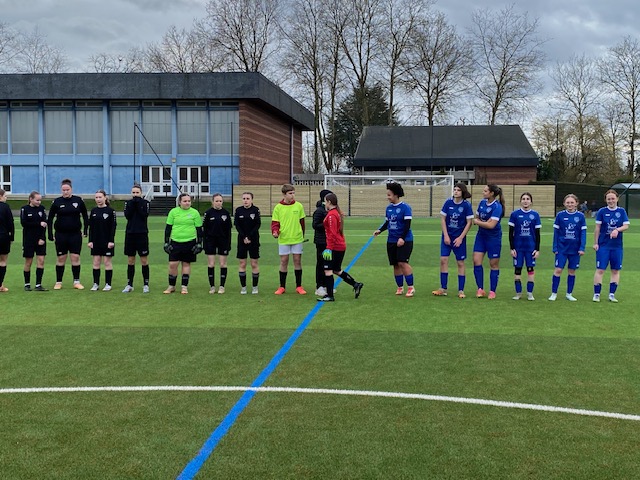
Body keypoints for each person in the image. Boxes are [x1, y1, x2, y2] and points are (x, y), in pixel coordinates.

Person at [318, 193, 363, 302]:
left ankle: (329, 295)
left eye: (325, 201)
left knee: (328, 270)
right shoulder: (335, 213)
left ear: (329, 202)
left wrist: (329, 248)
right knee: (336, 270)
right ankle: (355, 284)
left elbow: (332, 233)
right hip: (339, 246)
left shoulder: (331, 215)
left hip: (335, 247)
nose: (324, 203)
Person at [432, 183, 474, 298]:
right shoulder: (448, 203)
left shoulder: (466, 205)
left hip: (459, 239)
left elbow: (469, 223)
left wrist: (460, 238)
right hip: (447, 237)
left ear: (463, 192)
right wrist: (446, 235)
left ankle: (461, 290)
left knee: (460, 262)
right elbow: (443, 219)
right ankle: (443, 288)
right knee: (443, 260)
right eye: (454, 189)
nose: (456, 191)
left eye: (458, 190)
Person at [373, 182, 415, 297]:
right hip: (391, 240)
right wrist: (380, 230)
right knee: (395, 264)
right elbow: (387, 223)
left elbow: (407, 225)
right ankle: (400, 287)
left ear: (396, 195)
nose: (388, 197)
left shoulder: (405, 208)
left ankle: (411, 287)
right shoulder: (389, 208)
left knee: (402, 262)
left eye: (389, 195)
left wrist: (402, 238)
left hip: (405, 240)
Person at [47, 178, 88, 290]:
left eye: (67, 190)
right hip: (61, 235)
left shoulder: (78, 200)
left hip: (75, 235)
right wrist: (50, 234)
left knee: (75, 257)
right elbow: (50, 218)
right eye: (63, 190)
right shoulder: (57, 202)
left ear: (71, 189)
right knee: (61, 258)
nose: (65, 192)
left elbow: (85, 216)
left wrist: (85, 230)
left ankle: (76, 282)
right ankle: (58, 282)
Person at [592, 189, 630, 303]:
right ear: (606, 200)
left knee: (615, 270)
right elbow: (597, 228)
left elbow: (626, 226)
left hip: (617, 247)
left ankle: (612, 294)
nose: (611, 201)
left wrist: (617, 230)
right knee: (600, 270)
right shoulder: (602, 211)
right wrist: (595, 243)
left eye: (613, 198)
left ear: (617, 199)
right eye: (608, 199)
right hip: (603, 246)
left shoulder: (621, 211)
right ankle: (596, 294)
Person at [549, 194, 587, 301]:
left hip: (575, 249)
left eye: (572, 202)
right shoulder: (560, 215)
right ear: (564, 204)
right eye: (568, 202)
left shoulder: (580, 216)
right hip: (562, 248)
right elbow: (556, 233)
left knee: (572, 271)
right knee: (558, 270)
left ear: (576, 203)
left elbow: (583, 233)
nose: (570, 204)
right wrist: (555, 247)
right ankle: (554, 293)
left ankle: (569, 294)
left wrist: (582, 248)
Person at [163, 193, 203, 294]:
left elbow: (199, 229)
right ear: (179, 202)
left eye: (189, 201)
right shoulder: (173, 212)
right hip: (175, 242)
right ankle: (171, 286)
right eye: (185, 201)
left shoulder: (195, 213)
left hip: (190, 242)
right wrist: (166, 242)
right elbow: (168, 228)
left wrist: (199, 243)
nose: (187, 203)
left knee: (186, 264)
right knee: (173, 264)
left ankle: (184, 287)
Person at [271, 183, 307, 295]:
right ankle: (282, 287)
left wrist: (302, 236)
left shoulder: (299, 206)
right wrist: (275, 232)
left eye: (293, 193)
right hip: (284, 239)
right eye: (290, 193)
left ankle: (299, 286)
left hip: (297, 239)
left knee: (297, 261)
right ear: (284, 194)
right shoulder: (278, 207)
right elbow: (275, 223)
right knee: (284, 261)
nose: (292, 195)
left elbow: (302, 223)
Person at [472, 184, 505, 299]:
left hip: (494, 238)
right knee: (476, 261)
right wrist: (484, 222)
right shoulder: (482, 203)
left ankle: (492, 291)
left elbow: (491, 225)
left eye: (485, 191)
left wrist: (479, 222)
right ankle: (480, 289)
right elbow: (477, 217)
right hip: (481, 236)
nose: (483, 192)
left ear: (491, 193)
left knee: (493, 264)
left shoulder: (497, 207)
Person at [508, 192, 542, 301]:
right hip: (518, 248)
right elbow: (511, 233)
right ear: (520, 201)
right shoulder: (515, 214)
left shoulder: (535, 215)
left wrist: (537, 249)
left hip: (530, 248)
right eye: (523, 199)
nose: (525, 201)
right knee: (517, 269)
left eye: (528, 199)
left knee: (530, 269)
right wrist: (512, 248)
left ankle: (530, 293)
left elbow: (537, 234)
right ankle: (518, 293)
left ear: (531, 202)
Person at [122, 183, 151, 293]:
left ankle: (146, 284)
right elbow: (127, 215)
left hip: (142, 234)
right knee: (130, 260)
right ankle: (129, 284)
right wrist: (133, 205)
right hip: (130, 234)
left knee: (144, 260)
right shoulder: (128, 203)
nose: (135, 195)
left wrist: (138, 204)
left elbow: (144, 215)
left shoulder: (145, 203)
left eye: (137, 192)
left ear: (141, 193)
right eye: (133, 192)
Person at [87, 190, 117, 291]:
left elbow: (113, 227)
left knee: (107, 262)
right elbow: (91, 227)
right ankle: (96, 284)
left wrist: (111, 241)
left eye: (100, 197)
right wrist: (90, 241)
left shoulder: (110, 211)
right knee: (96, 262)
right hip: (96, 241)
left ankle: (108, 284)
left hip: (107, 241)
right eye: (96, 197)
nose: (98, 199)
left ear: (105, 198)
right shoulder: (93, 211)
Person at [203, 193, 232, 294]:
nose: (218, 203)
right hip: (210, 241)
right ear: (212, 202)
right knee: (211, 264)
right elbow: (204, 229)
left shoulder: (226, 213)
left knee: (223, 264)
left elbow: (228, 230)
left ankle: (222, 286)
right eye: (216, 201)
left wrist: (228, 244)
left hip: (223, 241)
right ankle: (212, 286)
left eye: (220, 201)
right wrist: (205, 243)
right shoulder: (208, 213)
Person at [20, 191, 48, 291]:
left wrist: (42, 238)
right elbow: (24, 223)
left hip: (40, 240)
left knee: (41, 261)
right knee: (29, 261)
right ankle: (27, 284)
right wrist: (38, 224)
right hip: (28, 239)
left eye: (40, 200)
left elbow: (44, 224)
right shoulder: (24, 209)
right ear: (31, 199)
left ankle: (38, 285)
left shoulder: (42, 209)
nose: (39, 202)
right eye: (37, 200)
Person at [234, 191, 261, 294]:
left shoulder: (256, 210)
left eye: (248, 198)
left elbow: (257, 224)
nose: (245, 200)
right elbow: (237, 225)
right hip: (242, 240)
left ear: (252, 200)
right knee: (242, 263)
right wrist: (244, 237)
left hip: (253, 240)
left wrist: (249, 236)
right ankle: (243, 287)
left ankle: (255, 287)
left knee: (254, 263)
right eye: (244, 198)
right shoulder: (238, 210)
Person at [312, 189, 332, 297]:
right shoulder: (319, 211)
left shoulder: (329, 210)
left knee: (327, 263)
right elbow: (315, 225)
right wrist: (326, 224)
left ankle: (326, 285)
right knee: (320, 263)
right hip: (321, 241)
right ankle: (319, 286)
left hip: (328, 241)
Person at [0, 188, 15, 292]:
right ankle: (0, 285)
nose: (6, 198)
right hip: (3, 237)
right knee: (3, 261)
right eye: (5, 196)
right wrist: (12, 237)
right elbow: (10, 223)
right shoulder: (5, 207)